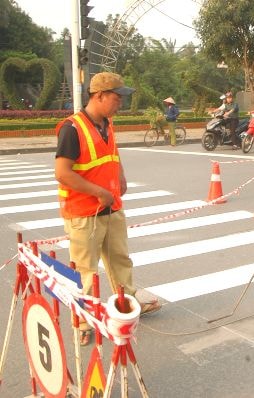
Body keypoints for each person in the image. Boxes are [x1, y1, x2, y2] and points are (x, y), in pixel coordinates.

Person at [55, 72, 161, 346]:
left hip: (111, 208)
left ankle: (126, 306)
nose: (121, 103)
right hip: (84, 213)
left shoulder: (107, 123)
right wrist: (98, 192)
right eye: (117, 98)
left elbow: (112, 153)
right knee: (85, 271)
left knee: (120, 261)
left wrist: (121, 175)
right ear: (99, 95)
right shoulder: (72, 128)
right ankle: (82, 321)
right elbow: (63, 173)